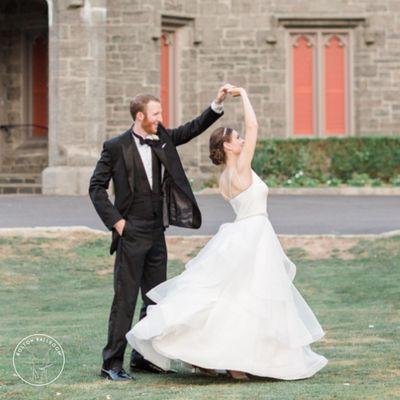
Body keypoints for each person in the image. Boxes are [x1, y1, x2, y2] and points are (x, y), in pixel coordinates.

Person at [126, 87, 328, 380]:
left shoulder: (224, 178)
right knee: (251, 298)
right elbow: (254, 126)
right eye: (238, 139)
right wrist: (244, 94)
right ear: (230, 147)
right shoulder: (241, 168)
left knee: (228, 297)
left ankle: (215, 358)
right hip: (254, 235)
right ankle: (235, 361)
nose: (244, 141)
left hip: (241, 234)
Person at [89, 85, 229, 381]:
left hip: (156, 230)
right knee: (125, 299)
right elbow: (96, 188)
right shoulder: (115, 147)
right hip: (131, 231)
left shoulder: (162, 137)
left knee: (155, 299)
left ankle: (143, 356)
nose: (160, 118)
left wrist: (216, 104)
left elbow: (192, 129)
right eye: (156, 113)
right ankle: (111, 363)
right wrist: (117, 222)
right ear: (140, 116)